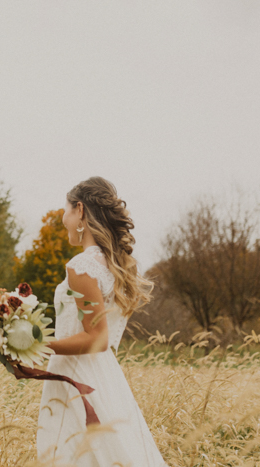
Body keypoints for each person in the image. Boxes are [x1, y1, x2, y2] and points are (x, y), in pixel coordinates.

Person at [37, 176, 167, 466]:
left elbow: (96, 337)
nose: (63, 218)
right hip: (105, 376)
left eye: (67, 210)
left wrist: (39, 345)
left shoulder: (81, 266)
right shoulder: (114, 265)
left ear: (80, 210)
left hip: (76, 378)